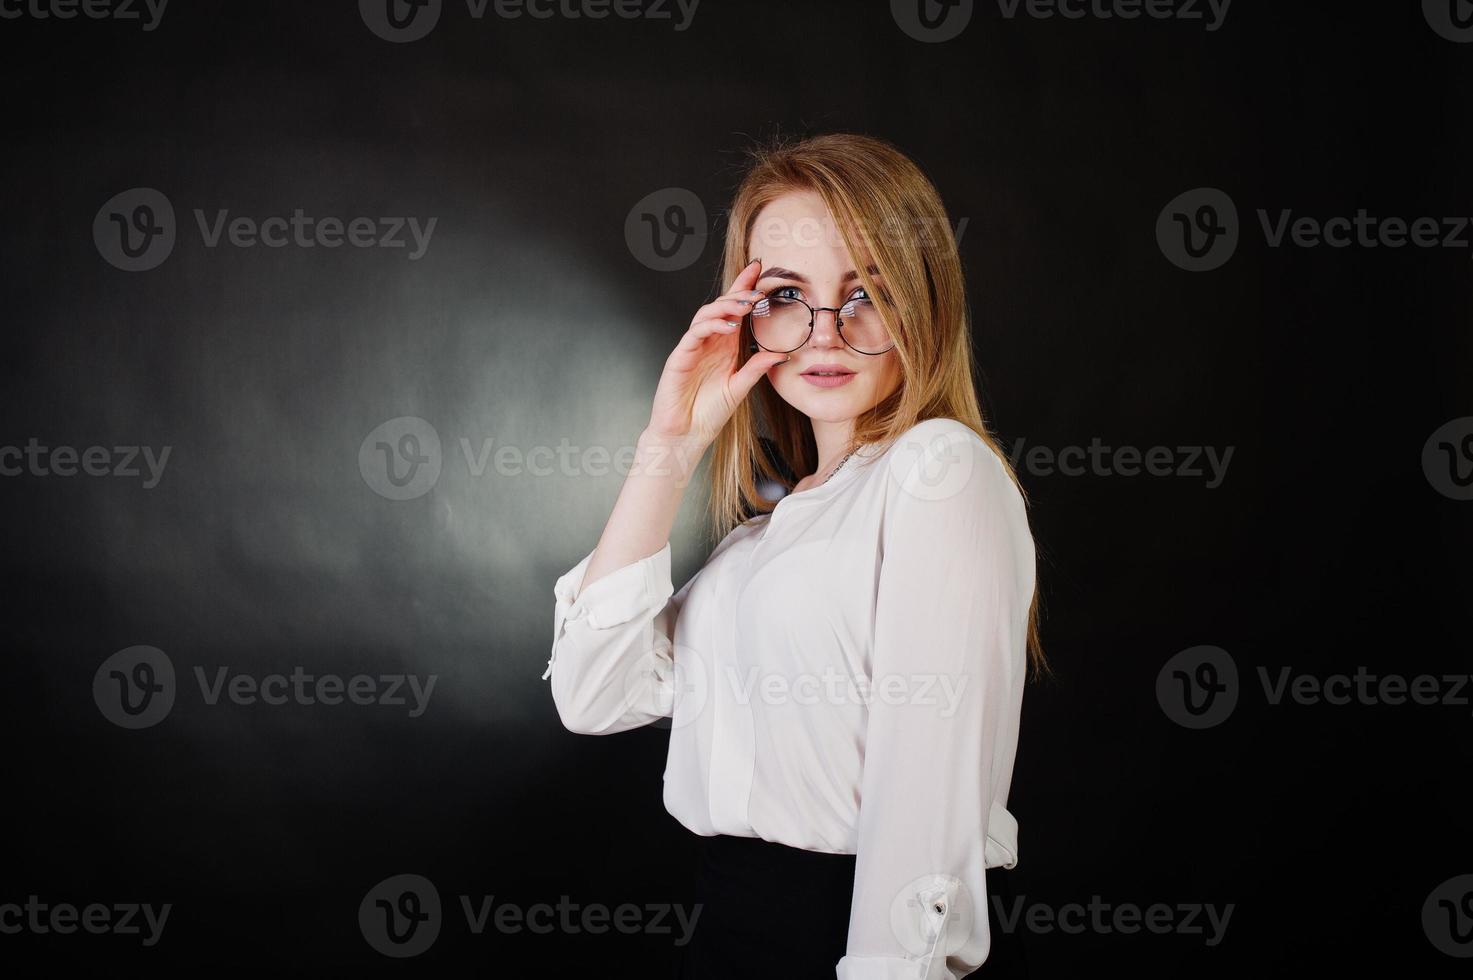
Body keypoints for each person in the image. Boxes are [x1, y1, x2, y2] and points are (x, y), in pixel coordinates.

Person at [540, 132, 1047, 979]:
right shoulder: (760, 540)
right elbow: (592, 695)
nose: (824, 333)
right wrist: (671, 439)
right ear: (748, 314)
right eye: (785, 294)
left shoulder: (937, 471)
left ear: (923, 303)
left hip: (840, 934)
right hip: (731, 926)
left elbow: (924, 800)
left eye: (867, 294)